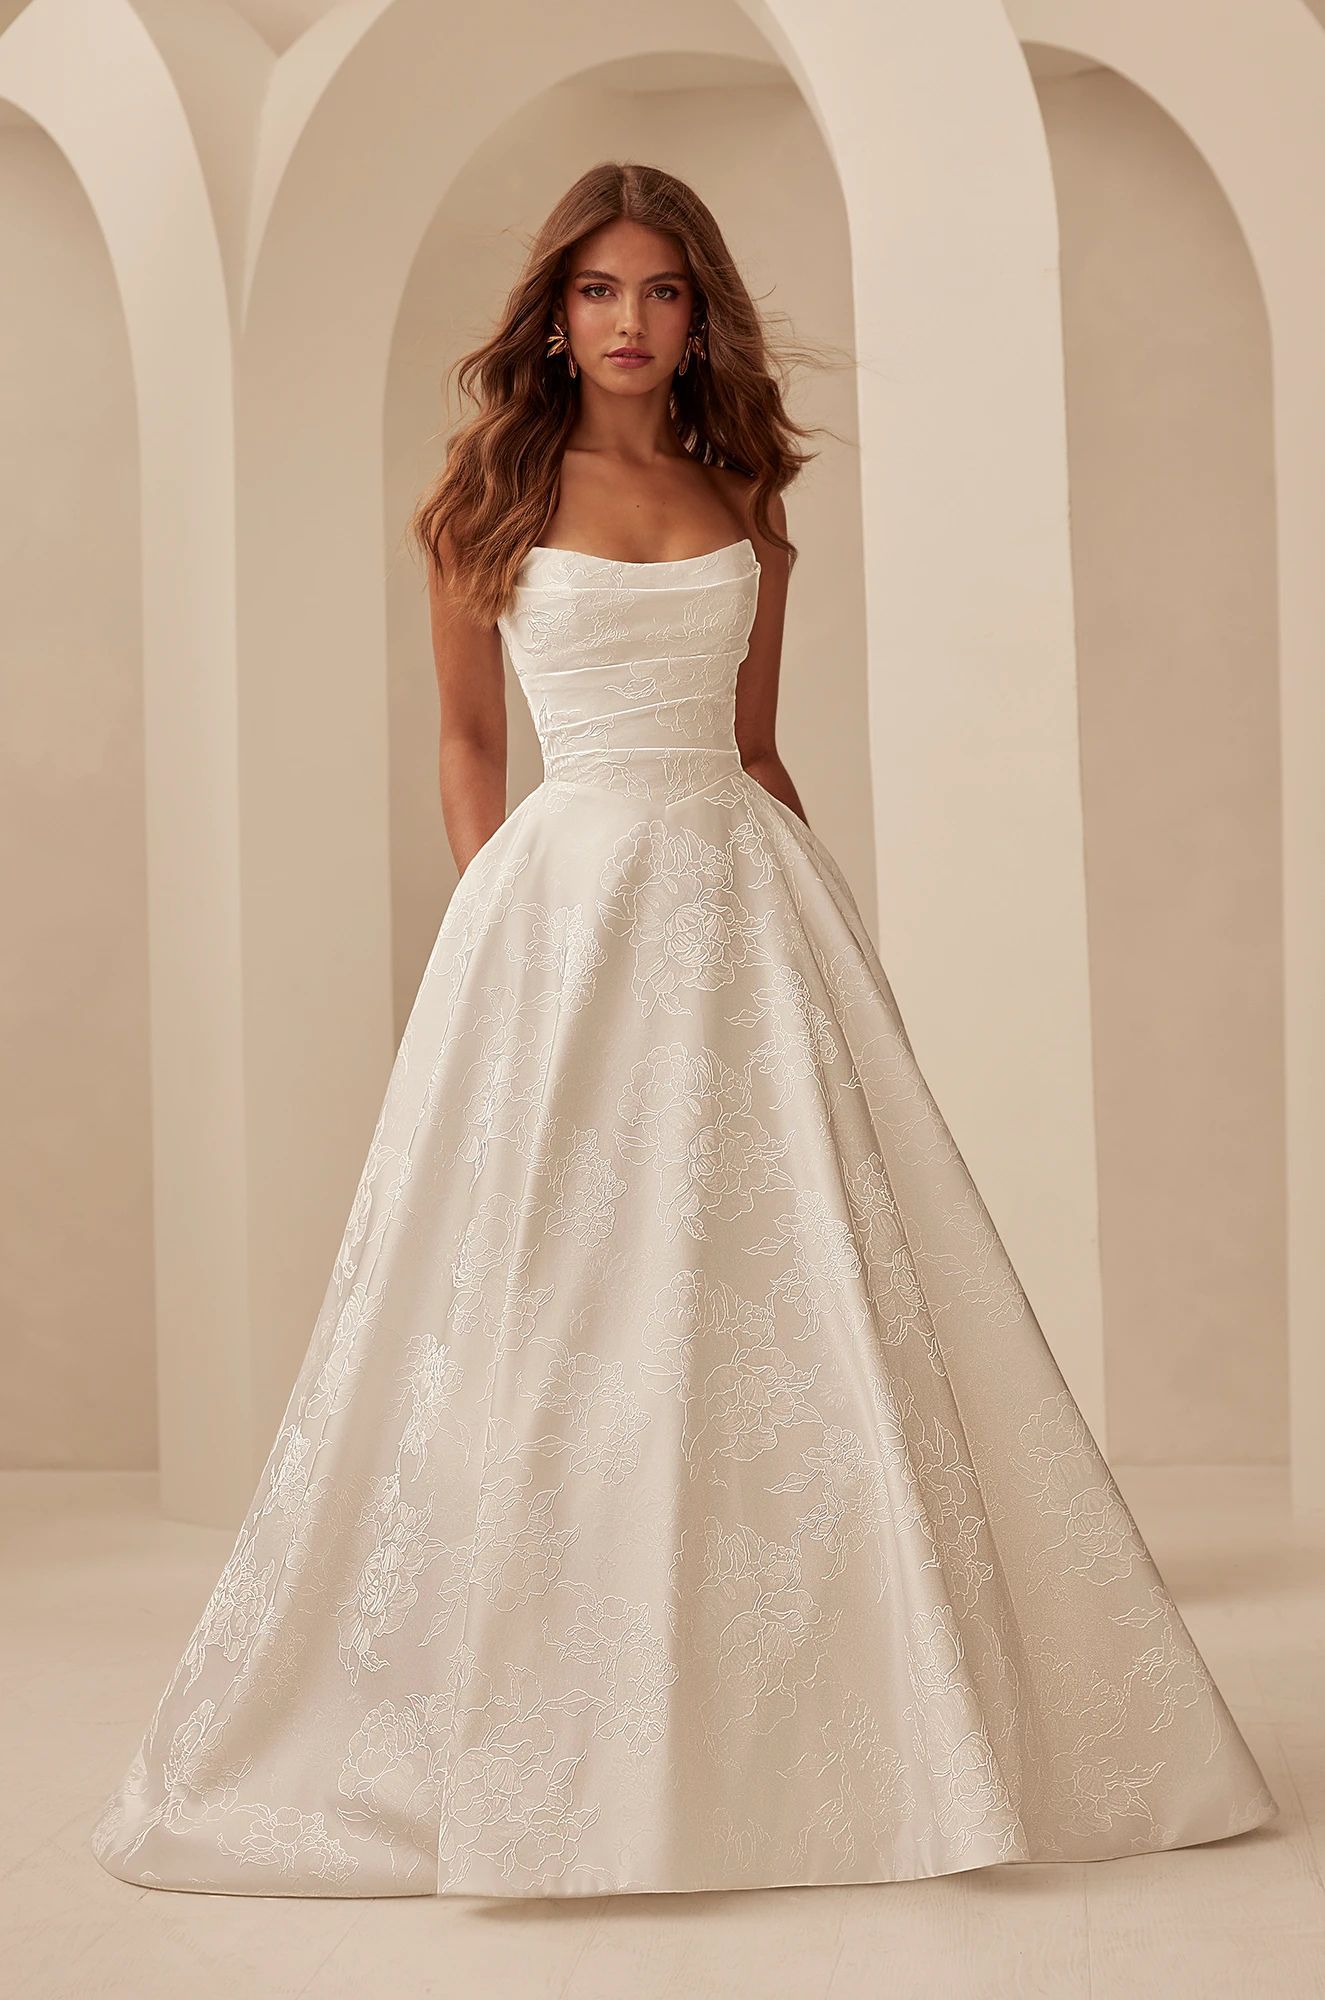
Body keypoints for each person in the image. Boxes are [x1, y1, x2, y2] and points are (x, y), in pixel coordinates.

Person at [91, 159, 1277, 1900]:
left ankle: (812, 1717)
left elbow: (755, 746)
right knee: (564, 1297)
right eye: (596, 292)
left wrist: (826, 941)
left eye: (658, 292)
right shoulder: (485, 502)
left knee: (770, 1293)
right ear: (553, 316)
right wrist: (503, 920)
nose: (629, 322)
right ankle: (554, 1717)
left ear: (695, 313)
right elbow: (468, 746)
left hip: (738, 905)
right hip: (565, 912)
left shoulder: (746, 504)